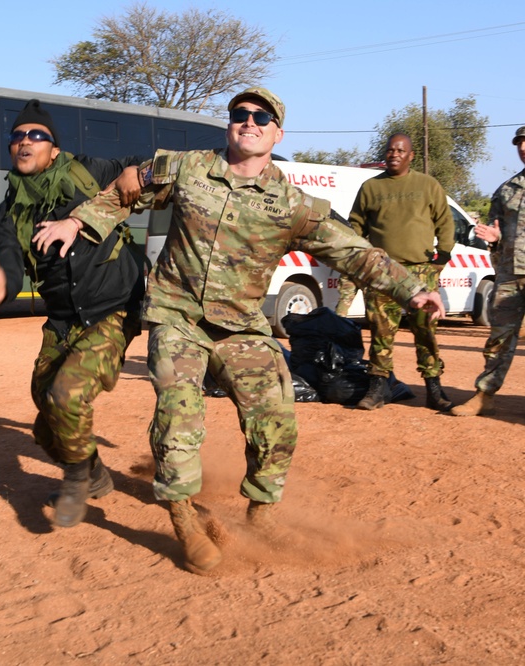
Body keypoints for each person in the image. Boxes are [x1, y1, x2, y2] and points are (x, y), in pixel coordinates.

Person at [66, 87, 445, 573]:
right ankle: (183, 517)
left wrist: (412, 288)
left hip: (242, 326)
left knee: (275, 417)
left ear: (277, 133)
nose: (249, 121)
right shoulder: (186, 167)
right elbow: (125, 190)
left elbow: (352, 250)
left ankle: (262, 511)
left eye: (261, 117)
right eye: (240, 114)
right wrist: (77, 224)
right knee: (179, 410)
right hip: (177, 315)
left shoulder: (293, 204)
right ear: (230, 125)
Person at [0, 99, 144, 529]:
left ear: (54, 148)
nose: (25, 142)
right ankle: (95, 473)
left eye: (36, 135)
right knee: (45, 418)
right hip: (62, 318)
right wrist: (0, 274)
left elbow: (145, 165)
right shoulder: (6, 213)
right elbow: (7, 257)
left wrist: (133, 172)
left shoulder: (88, 172)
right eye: (17, 136)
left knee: (66, 397)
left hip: (112, 307)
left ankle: (77, 482)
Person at [348, 133, 455, 411]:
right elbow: (355, 226)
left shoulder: (428, 185)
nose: (394, 154)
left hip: (421, 271)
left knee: (425, 330)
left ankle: (434, 388)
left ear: (411, 155)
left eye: (400, 150)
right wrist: (362, 261)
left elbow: (445, 221)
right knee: (381, 331)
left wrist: (440, 258)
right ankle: (378, 388)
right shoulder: (370, 187)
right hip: (382, 271)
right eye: (390, 150)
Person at [451, 125, 525, 417]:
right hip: (509, 276)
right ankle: (485, 395)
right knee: (499, 338)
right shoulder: (507, 190)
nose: (522, 148)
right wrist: (494, 240)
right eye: (519, 143)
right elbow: (494, 231)